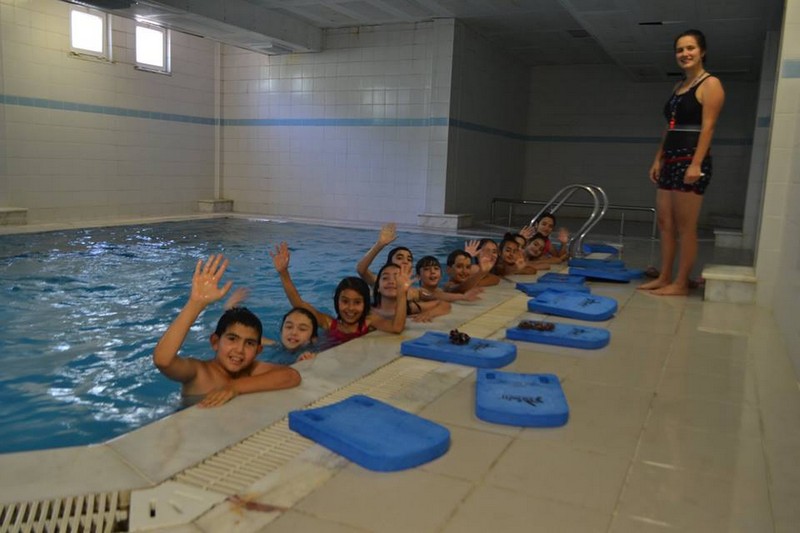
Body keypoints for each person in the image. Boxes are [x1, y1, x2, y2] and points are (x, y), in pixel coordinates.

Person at [153, 254, 301, 408]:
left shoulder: (251, 370)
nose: (239, 350)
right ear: (215, 342)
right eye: (232, 339)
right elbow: (163, 360)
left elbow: (291, 376)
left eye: (249, 343)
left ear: (258, 350)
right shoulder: (200, 373)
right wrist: (195, 304)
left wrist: (234, 386)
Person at [640, 29, 725, 296]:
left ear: (702, 51)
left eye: (690, 48)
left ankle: (681, 282)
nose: (685, 54)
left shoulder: (710, 84)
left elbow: (708, 127)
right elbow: (670, 127)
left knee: (685, 227)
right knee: (665, 223)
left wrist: (696, 164)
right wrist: (658, 159)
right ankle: (665, 276)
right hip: (671, 159)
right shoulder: (678, 87)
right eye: (680, 50)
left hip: (691, 160)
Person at [271, 242, 408, 341]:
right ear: (337, 302)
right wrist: (284, 273)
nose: (350, 308)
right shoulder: (328, 323)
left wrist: (402, 293)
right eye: (345, 301)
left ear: (365, 303)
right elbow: (299, 304)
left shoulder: (369, 322)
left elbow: (396, 328)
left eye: (357, 302)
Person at [415, 255, 482, 303]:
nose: (432, 272)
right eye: (426, 269)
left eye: (436, 268)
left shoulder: (440, 290)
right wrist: (463, 297)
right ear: (418, 276)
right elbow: (433, 296)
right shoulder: (419, 292)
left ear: (441, 275)